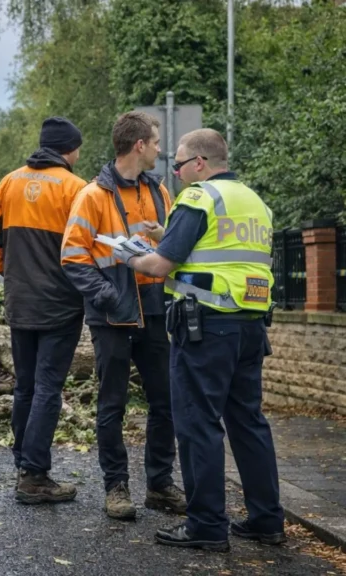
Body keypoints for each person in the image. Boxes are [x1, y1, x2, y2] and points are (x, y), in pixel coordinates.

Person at [117, 128, 285, 552]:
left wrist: (128, 254)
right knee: (248, 422)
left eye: (178, 164)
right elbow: (219, 251)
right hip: (249, 326)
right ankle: (267, 520)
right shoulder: (256, 202)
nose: (174, 171)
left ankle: (207, 525)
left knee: (197, 424)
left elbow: (159, 267)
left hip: (205, 328)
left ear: (200, 164)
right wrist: (163, 235)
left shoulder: (199, 197)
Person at [60, 111, 186, 520]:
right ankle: (116, 488)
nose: (159, 149)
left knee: (164, 401)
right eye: (155, 141)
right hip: (112, 314)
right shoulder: (93, 195)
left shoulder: (159, 192)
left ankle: (160, 485)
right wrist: (109, 297)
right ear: (138, 146)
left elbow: (170, 247)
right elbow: (72, 257)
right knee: (112, 403)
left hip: (153, 308)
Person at [0, 117, 87, 504]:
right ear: (69, 149)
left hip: (20, 301)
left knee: (25, 386)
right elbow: (85, 245)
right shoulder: (76, 188)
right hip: (60, 304)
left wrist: (11, 270)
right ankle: (35, 475)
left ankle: (23, 461)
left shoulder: (10, 182)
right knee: (48, 388)